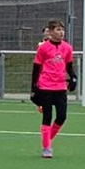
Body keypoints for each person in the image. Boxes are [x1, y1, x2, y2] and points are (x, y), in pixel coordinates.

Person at [31, 19, 77, 159]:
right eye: (57, 29)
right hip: (45, 86)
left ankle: (47, 140)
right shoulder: (43, 48)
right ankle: (47, 148)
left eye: (62, 29)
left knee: (62, 116)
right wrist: (34, 88)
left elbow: (69, 66)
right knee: (47, 116)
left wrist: (73, 77)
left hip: (60, 86)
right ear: (50, 32)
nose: (61, 32)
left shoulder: (67, 48)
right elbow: (36, 68)